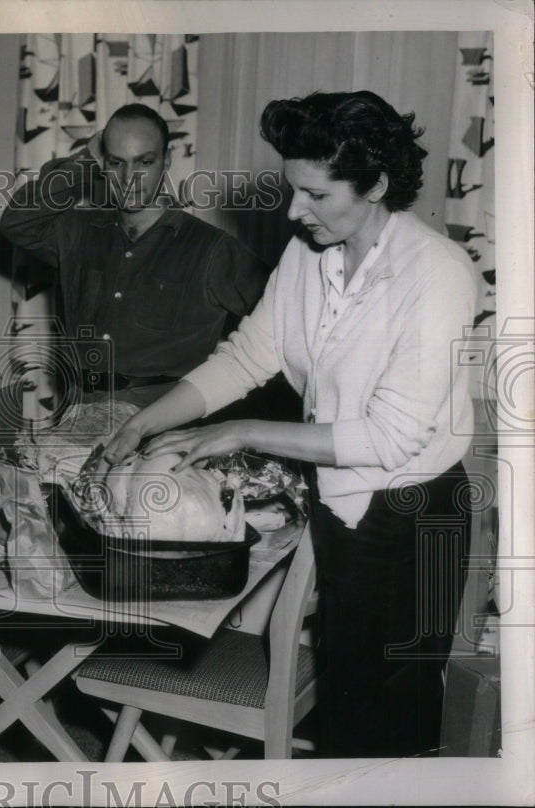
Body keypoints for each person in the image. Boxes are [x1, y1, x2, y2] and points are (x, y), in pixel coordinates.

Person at [101, 91, 476, 758]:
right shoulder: (311, 252)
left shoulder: (438, 273)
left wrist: (241, 431)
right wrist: (145, 422)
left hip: (410, 516)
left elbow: (387, 437)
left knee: (383, 725)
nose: (294, 211)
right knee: (348, 708)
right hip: (338, 498)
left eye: (315, 194)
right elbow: (250, 354)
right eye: (291, 189)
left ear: (377, 186)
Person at [0, 103, 273, 408]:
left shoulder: (211, 249)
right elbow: (18, 221)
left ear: (166, 160)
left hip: (164, 428)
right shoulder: (78, 232)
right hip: (79, 416)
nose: (129, 178)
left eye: (144, 162)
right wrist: (85, 161)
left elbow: (282, 328)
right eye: (116, 163)